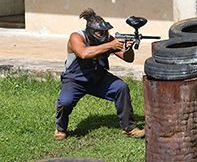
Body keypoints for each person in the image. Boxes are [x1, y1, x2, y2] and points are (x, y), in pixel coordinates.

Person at [54, 8, 145, 140]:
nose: (103, 35)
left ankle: (129, 128)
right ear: (90, 32)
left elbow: (128, 58)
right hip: (75, 80)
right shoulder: (76, 37)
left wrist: (128, 46)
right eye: (99, 32)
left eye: (105, 32)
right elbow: (84, 54)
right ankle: (60, 129)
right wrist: (110, 46)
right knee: (65, 102)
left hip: (98, 77)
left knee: (121, 87)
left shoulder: (109, 39)